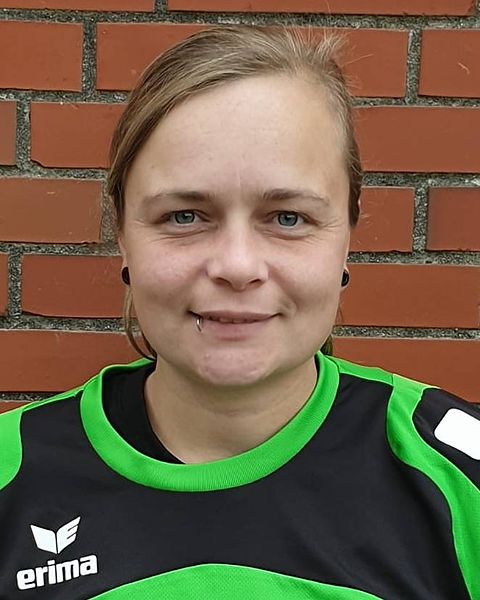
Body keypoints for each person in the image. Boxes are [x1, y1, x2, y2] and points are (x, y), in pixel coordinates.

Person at [0, 25, 478, 600]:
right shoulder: (11, 473)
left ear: (347, 235)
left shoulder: (458, 478)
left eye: (288, 218)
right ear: (122, 235)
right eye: (184, 216)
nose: (237, 265)